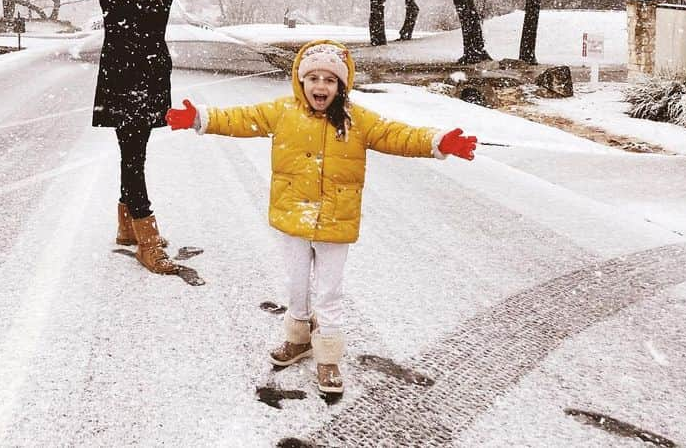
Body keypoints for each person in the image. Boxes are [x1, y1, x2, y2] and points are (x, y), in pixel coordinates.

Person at [0, 0, 297, 275]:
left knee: (135, 152)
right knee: (133, 155)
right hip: (120, 77)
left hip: (152, 73)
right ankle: (146, 240)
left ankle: (126, 226)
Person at [164, 40, 476, 393]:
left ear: (342, 85)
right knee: (296, 286)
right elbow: (242, 118)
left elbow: (397, 134)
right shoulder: (283, 111)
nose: (320, 86)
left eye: (330, 79)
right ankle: (298, 339)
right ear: (300, 82)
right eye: (312, 77)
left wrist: (437, 142)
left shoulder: (357, 120)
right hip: (293, 216)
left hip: (335, 221)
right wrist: (200, 118)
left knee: (329, 293)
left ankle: (327, 355)